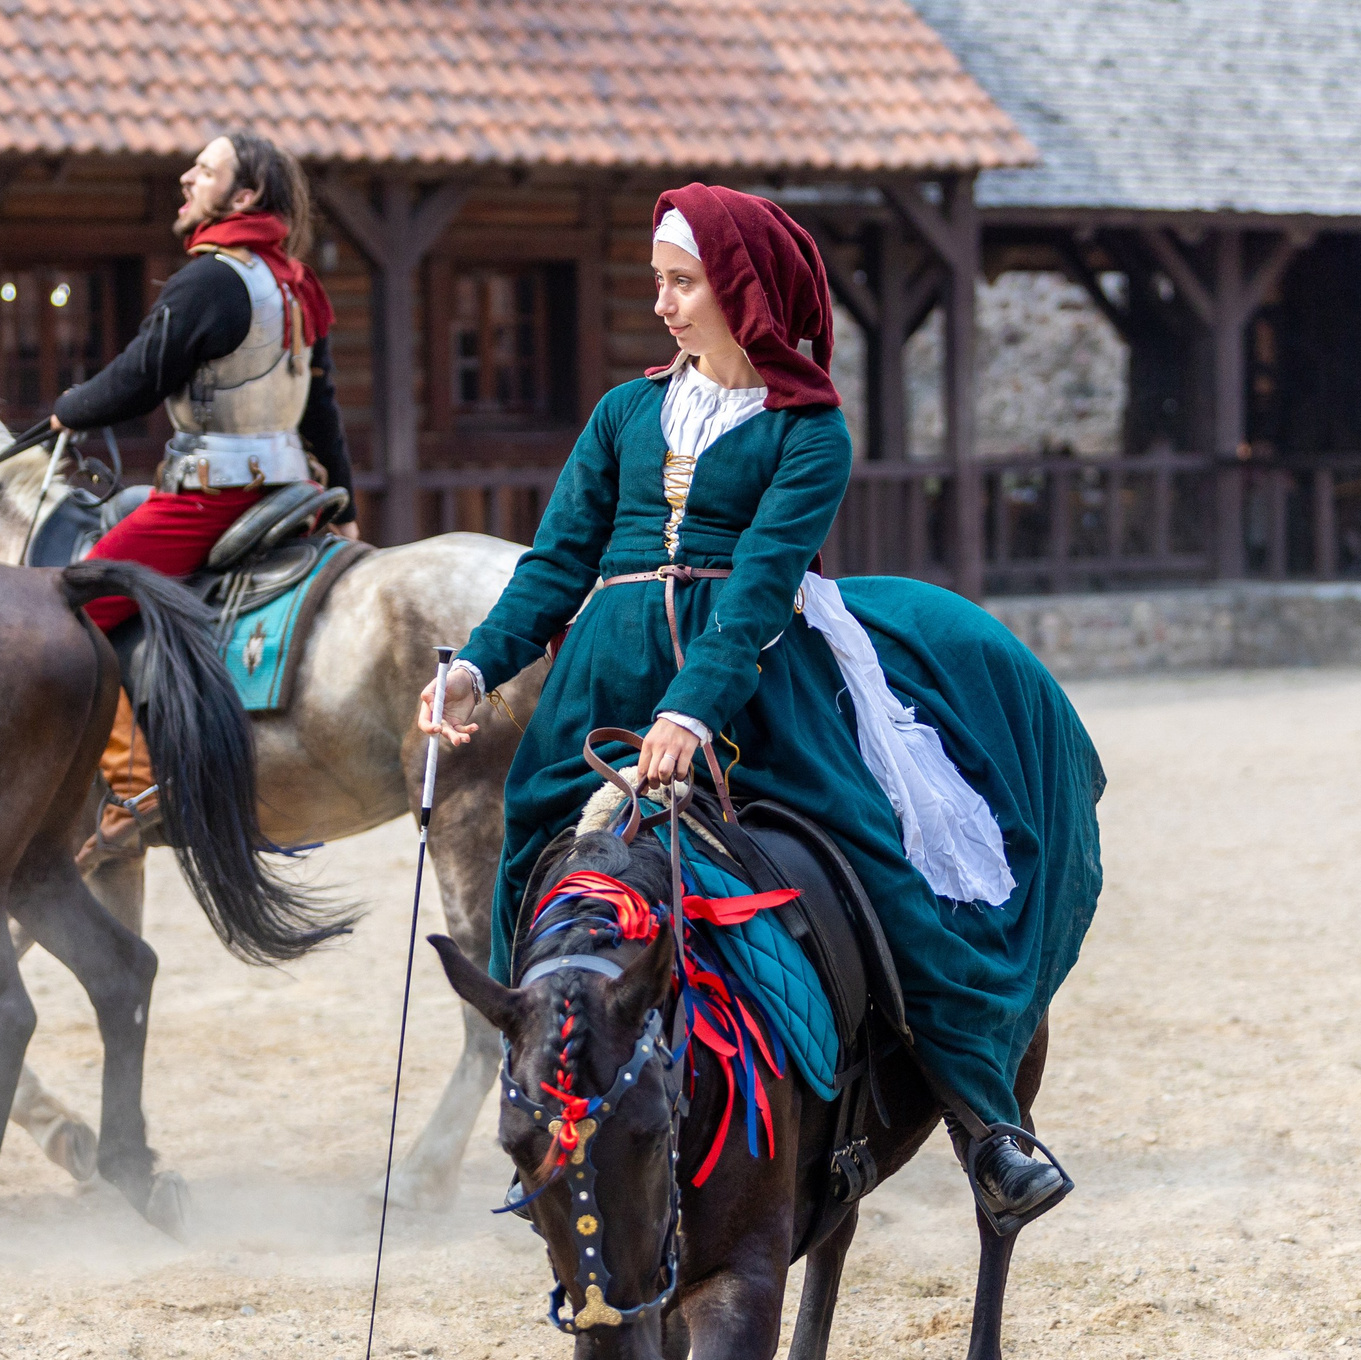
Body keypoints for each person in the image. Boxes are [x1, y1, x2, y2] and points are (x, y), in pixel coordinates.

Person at [419, 185, 1105, 1234]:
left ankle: (981, 1118)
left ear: (740, 289)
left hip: (758, 692)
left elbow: (754, 592)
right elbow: (557, 565)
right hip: (600, 682)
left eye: (681, 281)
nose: (662, 303)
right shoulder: (623, 413)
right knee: (528, 855)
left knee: (876, 868)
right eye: (657, 280)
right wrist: (476, 668)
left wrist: (692, 712)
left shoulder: (809, 432)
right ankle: (556, 1095)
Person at [48, 129, 358, 864]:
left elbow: (136, 378)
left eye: (206, 169)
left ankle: (132, 780)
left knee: (64, 606)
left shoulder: (211, 280)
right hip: (287, 488)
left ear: (244, 196)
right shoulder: (293, 284)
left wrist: (67, 408)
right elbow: (322, 408)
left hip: (212, 494)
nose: (187, 176)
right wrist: (342, 503)